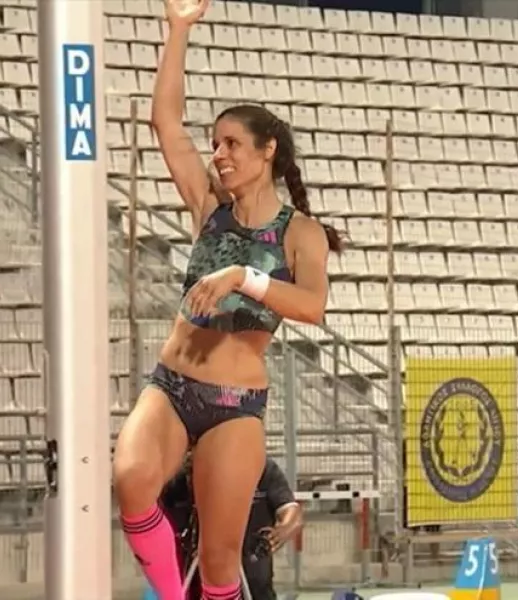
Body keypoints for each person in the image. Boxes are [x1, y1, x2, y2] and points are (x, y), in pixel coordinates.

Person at [111, 0, 343, 598]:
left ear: (267, 152)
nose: (219, 154)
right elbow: (165, 123)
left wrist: (244, 276)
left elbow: (313, 306)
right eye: (215, 144)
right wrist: (178, 29)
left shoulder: (300, 233)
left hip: (235, 406)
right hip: (172, 384)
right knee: (131, 480)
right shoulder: (209, 205)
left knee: (219, 564)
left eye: (233, 143)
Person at [160, 457, 303, 600]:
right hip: (195, 583)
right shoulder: (177, 478)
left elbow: (291, 511)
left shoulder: (260, 467)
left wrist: (283, 530)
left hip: (254, 582)